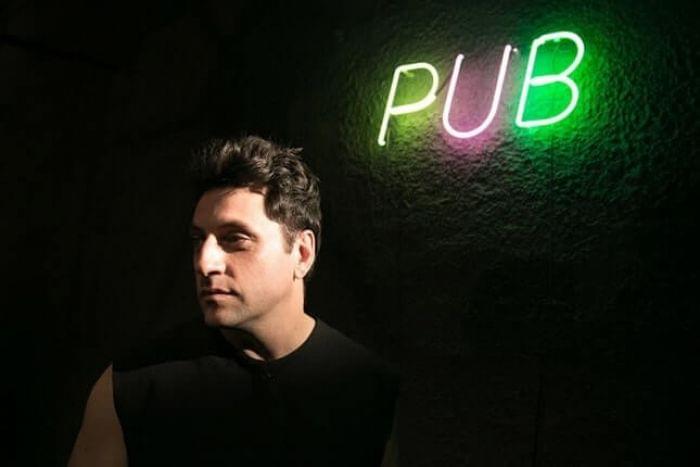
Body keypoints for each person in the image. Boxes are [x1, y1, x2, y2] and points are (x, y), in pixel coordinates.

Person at [68, 136, 400, 467]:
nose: (204, 262)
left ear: (302, 253)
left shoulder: (369, 391)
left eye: (234, 239)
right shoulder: (130, 386)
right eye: (199, 240)